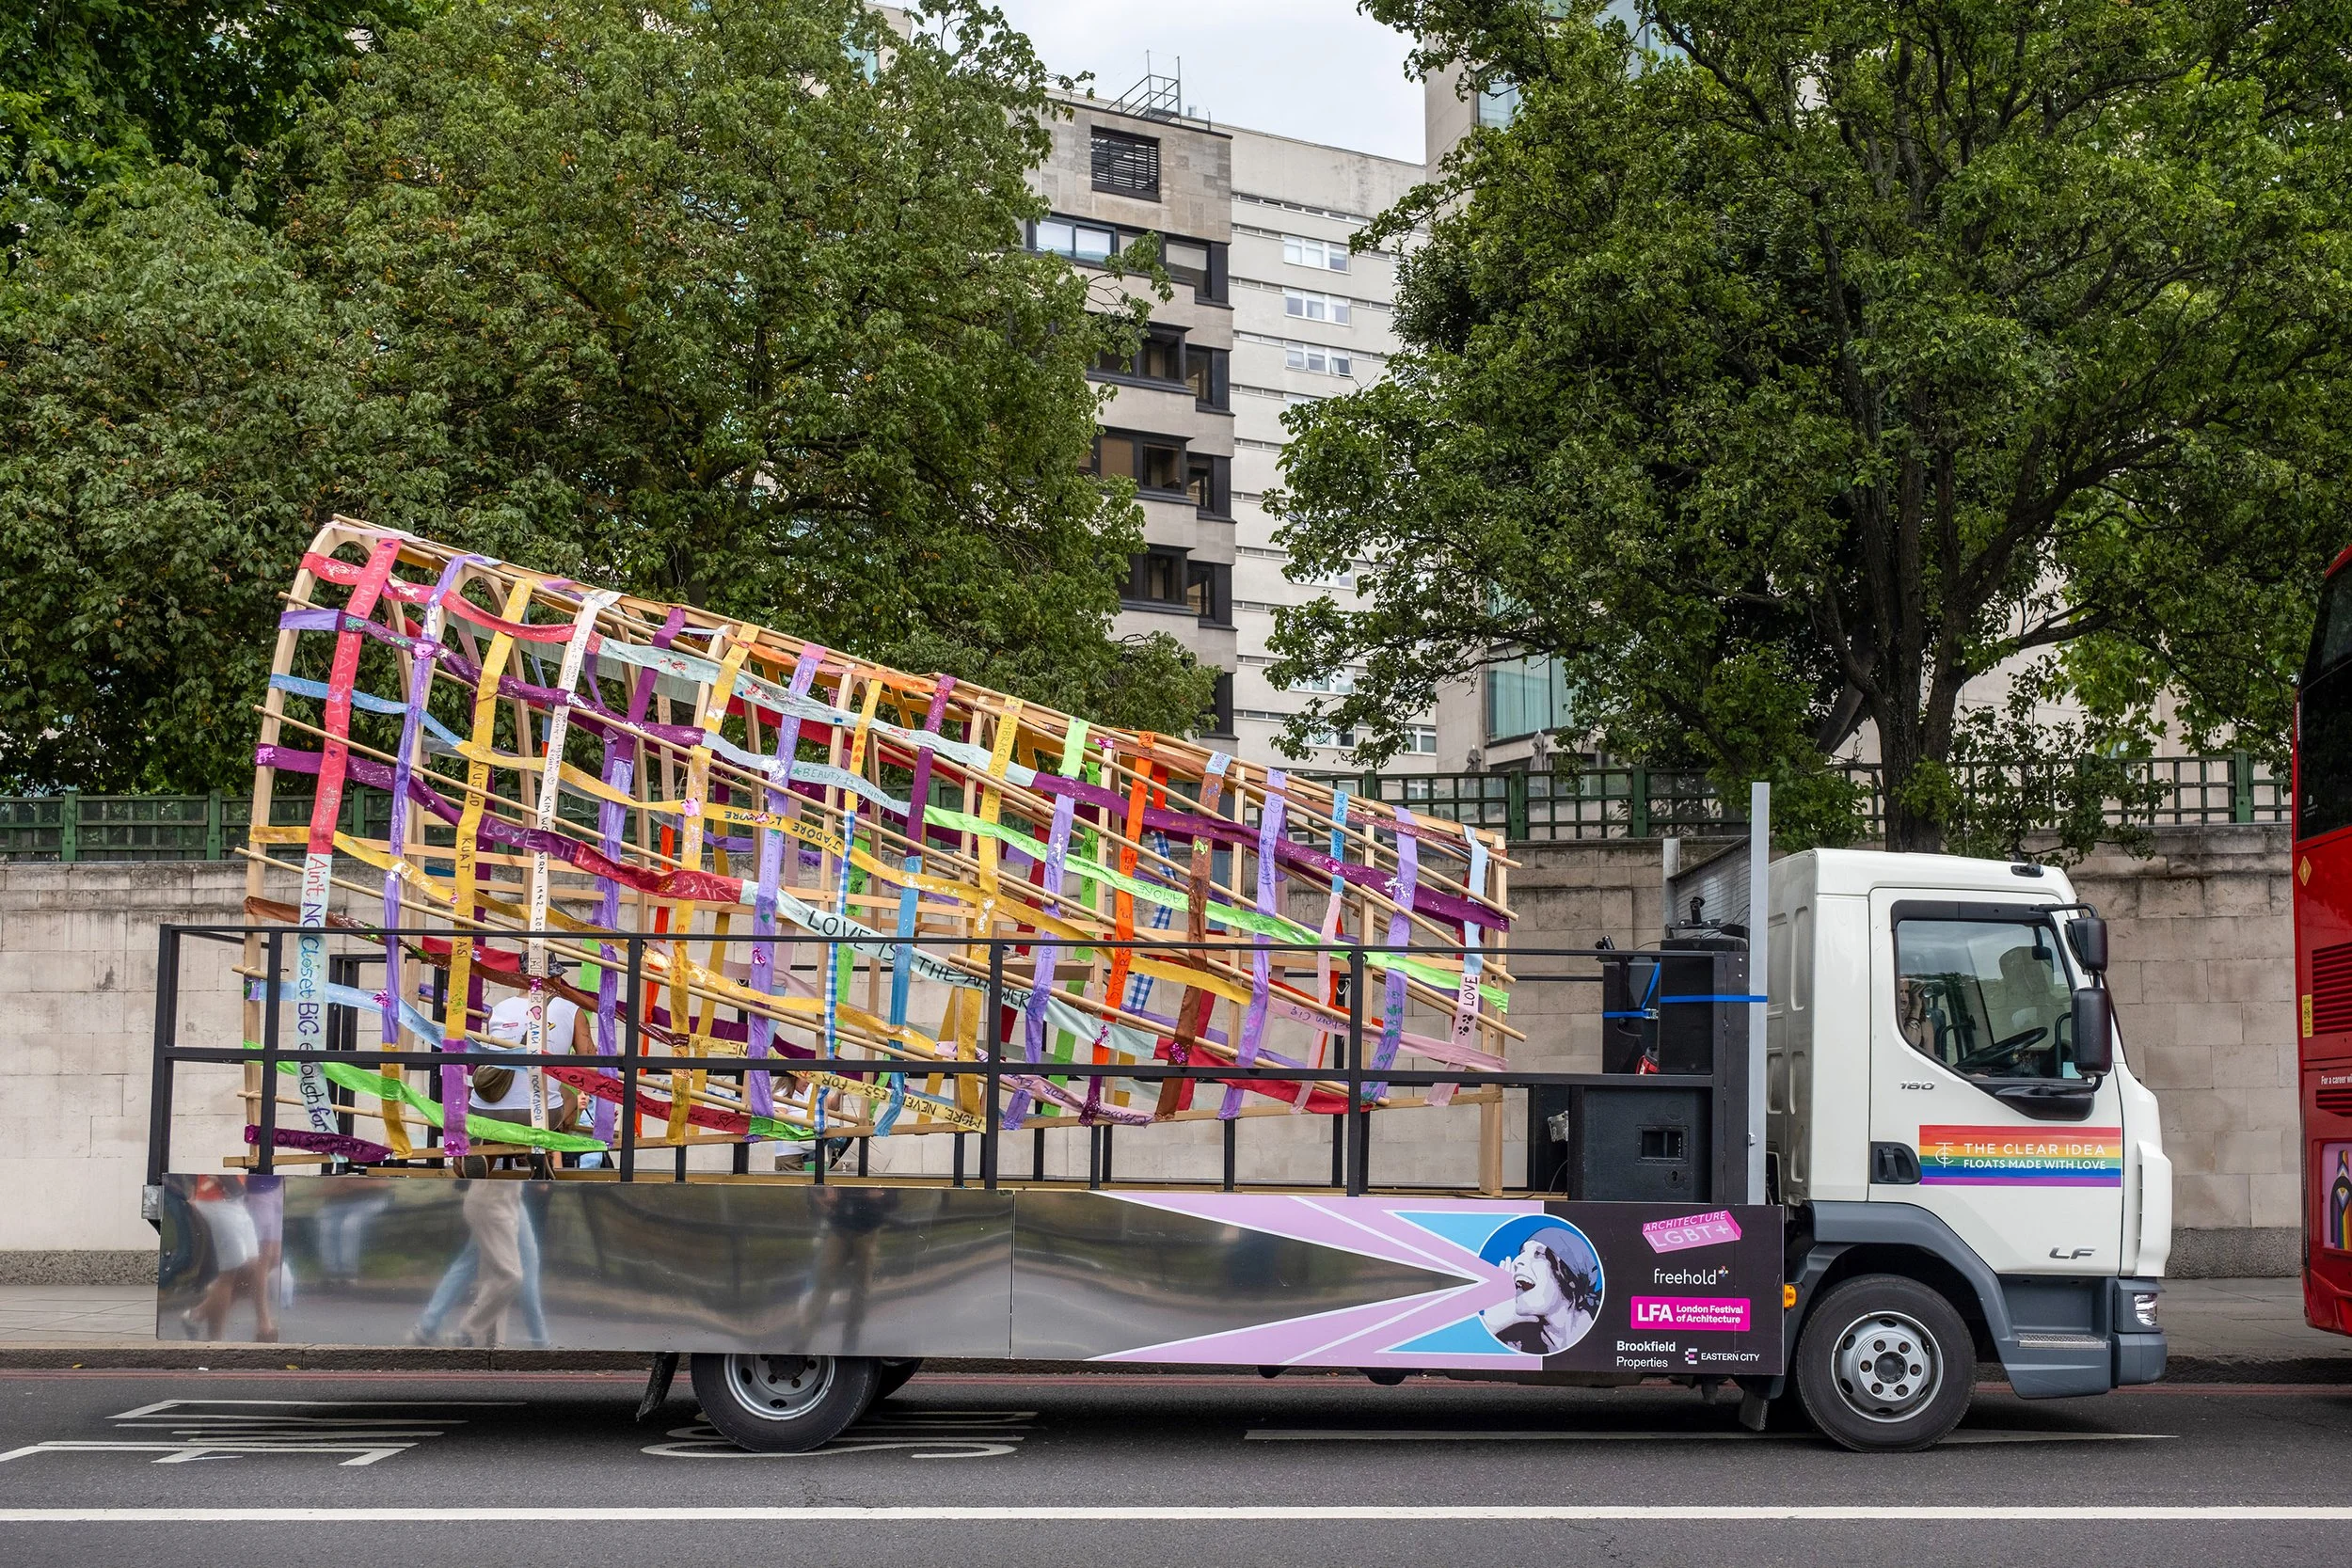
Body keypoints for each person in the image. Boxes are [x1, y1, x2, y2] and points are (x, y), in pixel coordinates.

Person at [1481, 1227, 1600, 1355]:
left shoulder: (1606, 1332)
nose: (1517, 1261)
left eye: (1539, 1254)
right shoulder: (1515, 1345)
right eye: (1521, 1253)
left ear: (1569, 1277)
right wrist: (1492, 1323)